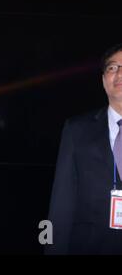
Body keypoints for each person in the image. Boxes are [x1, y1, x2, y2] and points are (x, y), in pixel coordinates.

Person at [47, 43, 122, 254]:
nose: (118, 73)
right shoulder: (76, 130)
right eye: (112, 67)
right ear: (103, 81)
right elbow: (61, 203)